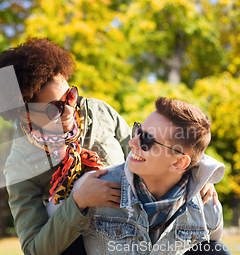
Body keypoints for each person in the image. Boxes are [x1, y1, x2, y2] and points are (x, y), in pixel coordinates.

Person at [0, 38, 222, 255]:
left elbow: (150, 150)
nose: (70, 111)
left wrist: (195, 172)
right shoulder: (19, 165)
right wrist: (78, 203)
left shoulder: (98, 112)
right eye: (54, 108)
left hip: (138, 231)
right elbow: (34, 248)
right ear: (25, 115)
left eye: (70, 96)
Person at [79, 97, 231, 255]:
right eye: (138, 130)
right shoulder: (94, 189)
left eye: (146, 139)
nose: (132, 142)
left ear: (179, 163)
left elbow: (214, 244)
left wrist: (204, 177)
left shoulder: (207, 205)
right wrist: (78, 202)